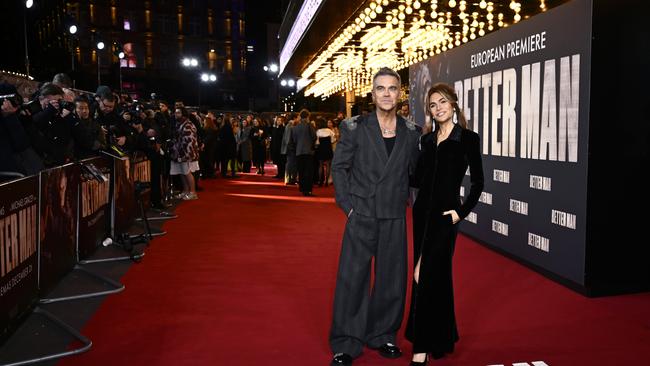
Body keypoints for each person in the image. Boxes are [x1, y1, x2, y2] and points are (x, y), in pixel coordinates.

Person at [329, 67, 421, 366]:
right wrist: (348, 205)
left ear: (399, 93)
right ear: (372, 93)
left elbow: (416, 173)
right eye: (380, 88)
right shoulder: (355, 127)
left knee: (392, 280)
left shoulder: (411, 131)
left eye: (392, 88)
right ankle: (346, 341)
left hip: (394, 213)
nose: (386, 93)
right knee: (352, 278)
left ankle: (383, 335)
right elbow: (339, 167)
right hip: (362, 212)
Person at [405, 83, 484, 365]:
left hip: (445, 218)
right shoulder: (427, 140)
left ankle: (421, 347)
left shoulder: (468, 139)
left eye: (442, 102)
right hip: (422, 213)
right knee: (436, 279)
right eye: (432, 105)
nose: (438, 108)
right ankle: (441, 338)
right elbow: (418, 180)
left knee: (422, 274)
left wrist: (460, 213)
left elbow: (478, 182)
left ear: (453, 103)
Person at [289, 109, 316, 196]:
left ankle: (302, 188)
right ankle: (308, 190)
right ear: (308, 116)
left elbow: (293, 141)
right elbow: (314, 137)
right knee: (308, 171)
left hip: (298, 152)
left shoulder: (295, 128)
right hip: (308, 151)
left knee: (301, 171)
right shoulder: (309, 126)